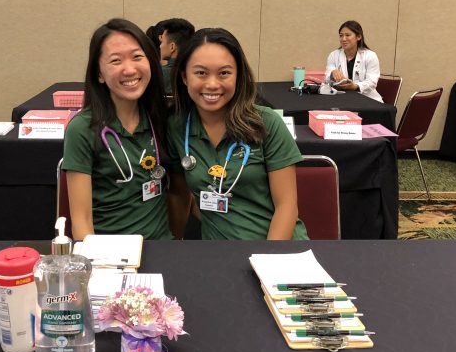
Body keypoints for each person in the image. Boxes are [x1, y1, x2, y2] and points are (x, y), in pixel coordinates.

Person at [166, 28, 308, 240]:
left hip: (276, 250)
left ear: (238, 76)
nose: (212, 84)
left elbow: (287, 206)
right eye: (201, 73)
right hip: (219, 254)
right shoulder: (177, 127)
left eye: (224, 73)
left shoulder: (267, 123)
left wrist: (266, 262)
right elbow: (181, 195)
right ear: (184, 77)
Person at [62, 18, 172, 240]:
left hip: (163, 248)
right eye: (115, 61)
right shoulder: (83, 128)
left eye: (137, 57)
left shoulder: (163, 118)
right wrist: (97, 266)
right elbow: (81, 221)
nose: (129, 69)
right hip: (109, 255)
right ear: (99, 74)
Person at [325, 20, 383, 102]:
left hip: (367, 100)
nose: (343, 39)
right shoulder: (333, 55)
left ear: (358, 37)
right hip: (341, 99)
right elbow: (327, 80)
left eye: (348, 35)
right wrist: (332, 74)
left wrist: (355, 86)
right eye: (341, 36)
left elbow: (372, 82)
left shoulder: (370, 56)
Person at [157, 18, 195, 94]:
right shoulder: (195, 73)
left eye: (162, 42)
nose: (160, 46)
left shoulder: (157, 74)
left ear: (172, 47)